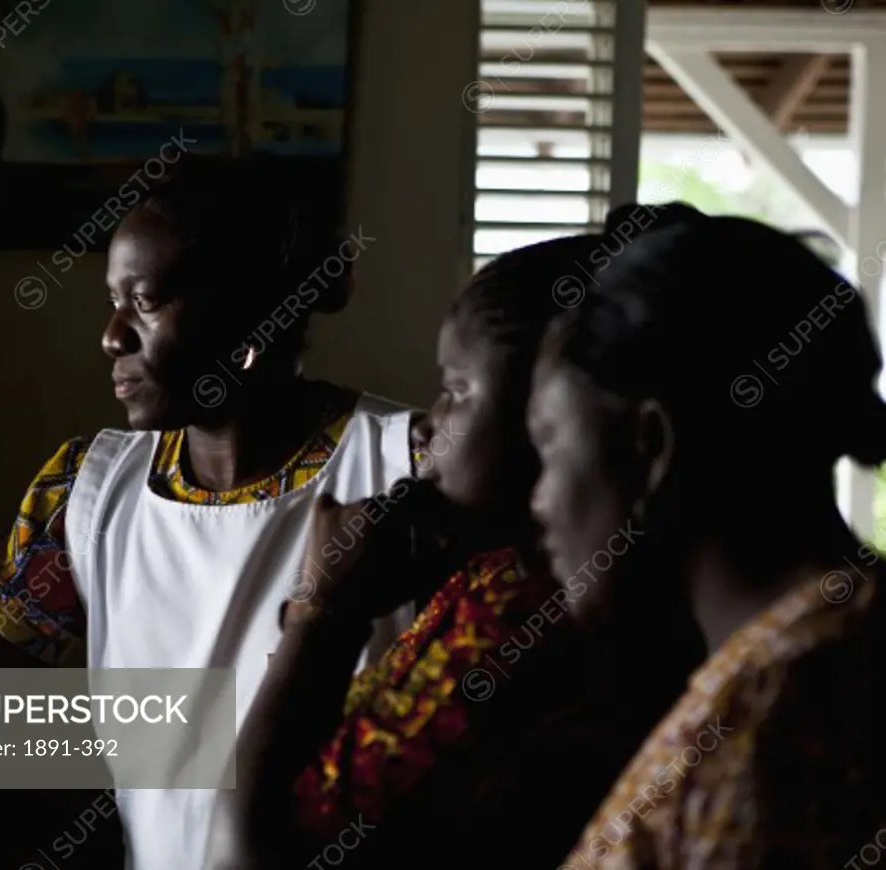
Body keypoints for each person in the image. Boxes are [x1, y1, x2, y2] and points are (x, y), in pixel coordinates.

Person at [207, 227, 707, 870]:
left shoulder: (519, 614)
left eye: (459, 389)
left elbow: (246, 855)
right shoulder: (490, 577)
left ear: (548, 410)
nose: (430, 418)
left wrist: (320, 615)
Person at [0, 158, 417, 870]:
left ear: (246, 313)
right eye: (112, 302)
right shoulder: (83, 491)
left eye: (143, 303)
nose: (112, 337)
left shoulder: (405, 468)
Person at [525, 208, 886, 868]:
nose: (538, 501)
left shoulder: (778, 719)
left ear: (650, 446)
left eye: (549, 448)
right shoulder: (817, 647)